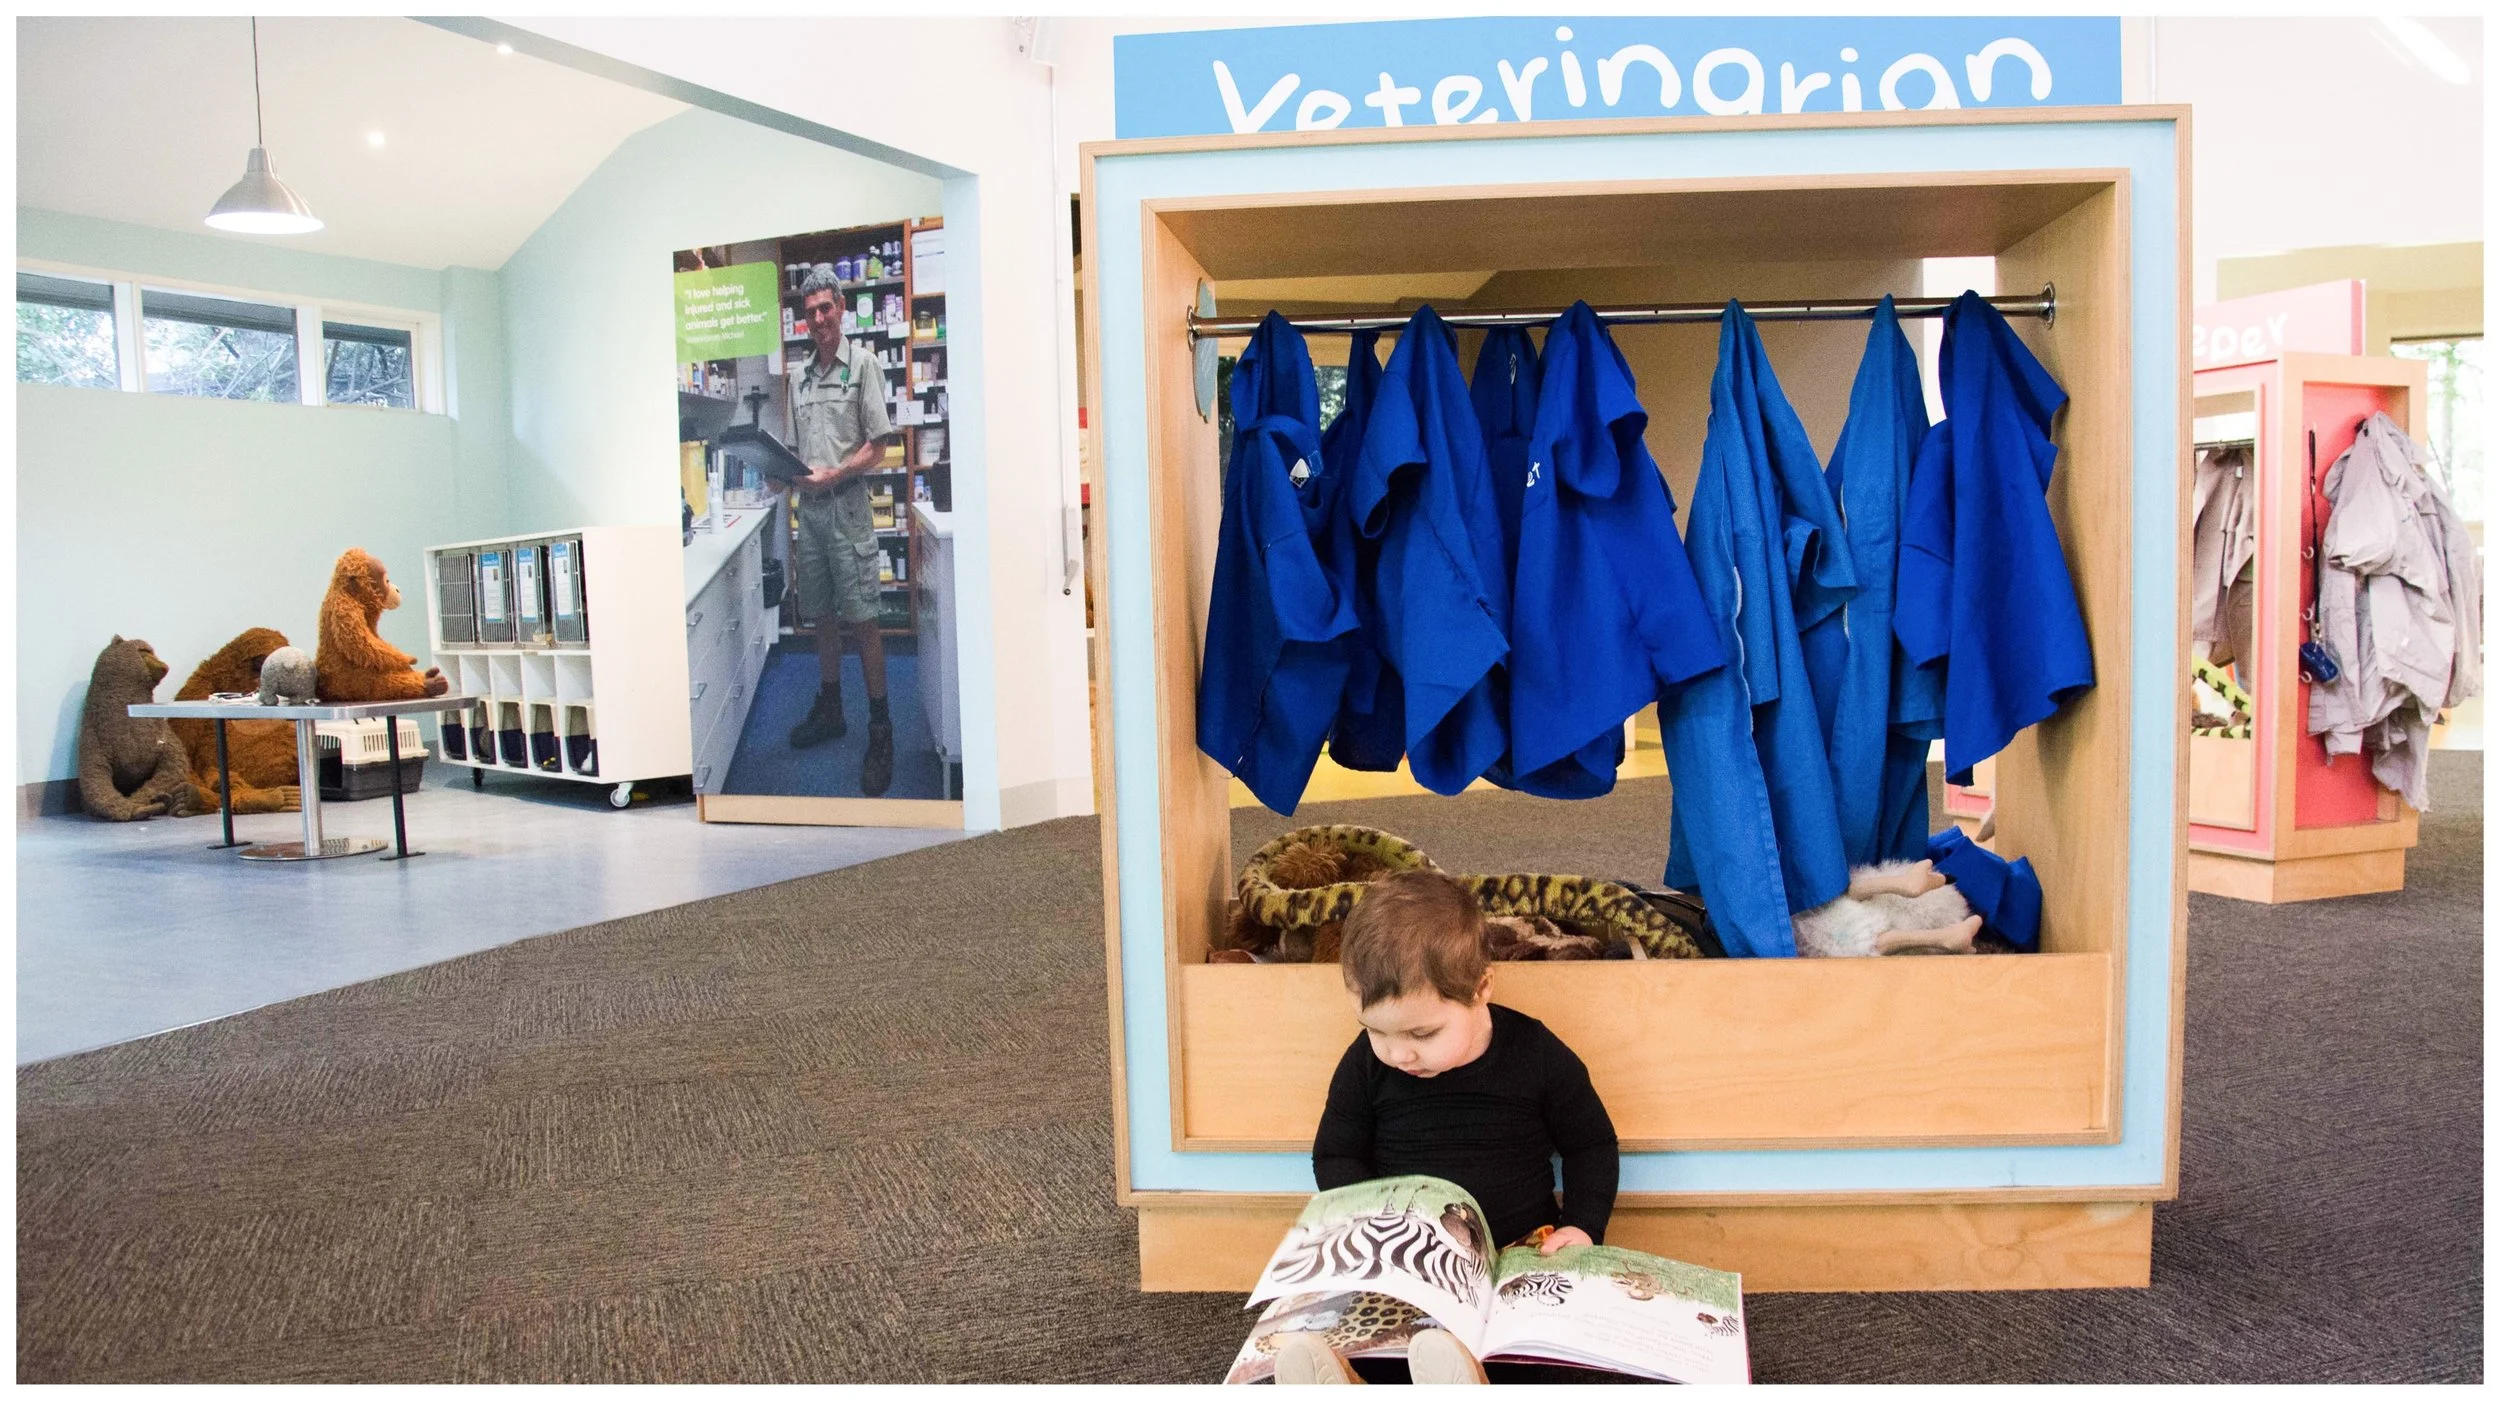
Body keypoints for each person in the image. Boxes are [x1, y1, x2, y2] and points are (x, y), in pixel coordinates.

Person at [1279, 869, 1620, 1385]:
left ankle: (1464, 1378)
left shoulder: (1535, 1053)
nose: (1399, 1053)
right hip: (1408, 1256)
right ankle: (1350, 1379)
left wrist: (1583, 1225)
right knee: (1378, 1326)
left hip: (1518, 1250)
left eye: (1423, 1032)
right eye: (1374, 1031)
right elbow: (1335, 1153)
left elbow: (1591, 1143)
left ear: (1481, 987)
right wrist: (1372, 1224)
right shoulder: (1366, 1065)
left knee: (1547, 1348)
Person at [781, 265, 900, 795]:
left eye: (826, 308)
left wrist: (838, 473)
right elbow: (791, 454)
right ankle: (831, 709)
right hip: (811, 516)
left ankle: (881, 728)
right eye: (810, 313)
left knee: (864, 621)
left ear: (841, 310)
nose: (819, 318)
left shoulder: (865, 366)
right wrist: (776, 472)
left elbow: (880, 445)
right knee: (822, 618)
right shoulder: (798, 379)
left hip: (849, 510)